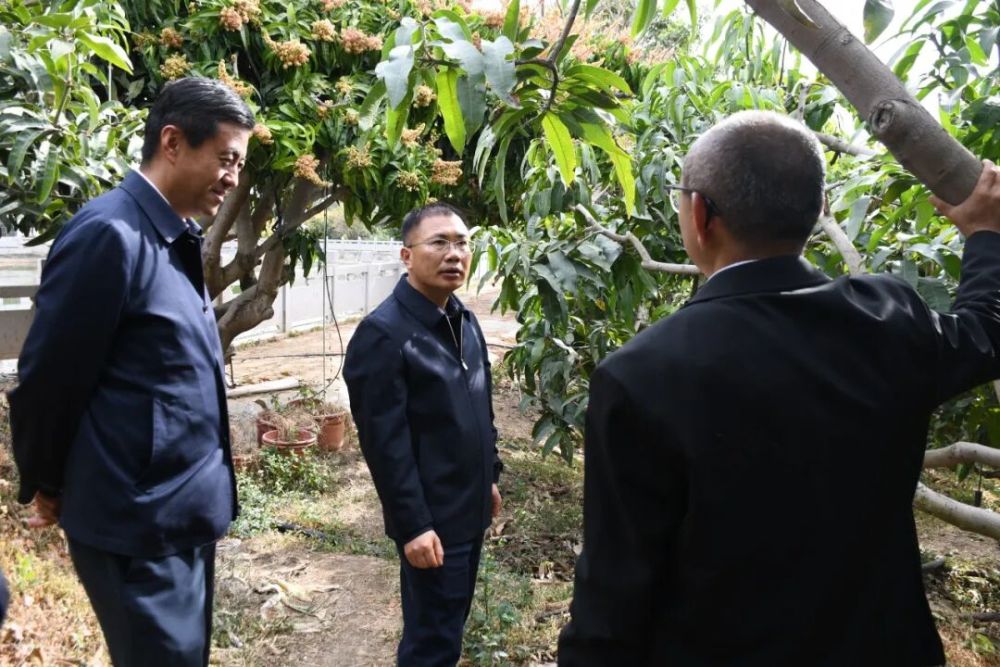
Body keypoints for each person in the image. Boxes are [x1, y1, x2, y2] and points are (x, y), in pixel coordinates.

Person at [557, 110, 1000, 665]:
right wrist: (986, 236)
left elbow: (614, 594)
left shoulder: (641, 373)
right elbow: (987, 328)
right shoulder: (890, 321)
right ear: (820, 209)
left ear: (700, 215)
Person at [8, 77, 254, 666]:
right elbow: (49, 379)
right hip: (138, 525)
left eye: (240, 165)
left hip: (180, 516)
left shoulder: (171, 235)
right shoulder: (110, 235)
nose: (233, 178)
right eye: (226, 159)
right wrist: (46, 481)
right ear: (172, 142)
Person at [344, 202, 503, 666]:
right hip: (433, 520)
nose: (454, 253)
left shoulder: (464, 320)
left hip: (469, 505)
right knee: (432, 641)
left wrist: (490, 476)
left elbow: (481, 407)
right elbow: (384, 445)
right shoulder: (384, 334)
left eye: (462, 243)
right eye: (439, 243)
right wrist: (413, 525)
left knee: (449, 627)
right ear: (406, 255)